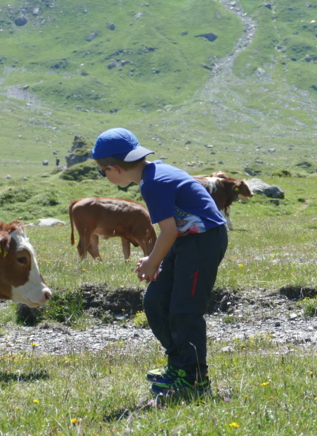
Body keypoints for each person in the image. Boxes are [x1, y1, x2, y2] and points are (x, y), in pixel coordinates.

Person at [92, 127, 228, 398]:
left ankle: (195, 380)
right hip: (187, 240)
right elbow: (174, 230)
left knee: (185, 310)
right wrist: (154, 257)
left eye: (101, 171)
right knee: (155, 301)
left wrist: (153, 262)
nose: (103, 175)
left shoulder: (153, 183)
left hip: (203, 242)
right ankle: (179, 365)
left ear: (113, 169)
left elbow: (169, 231)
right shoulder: (153, 172)